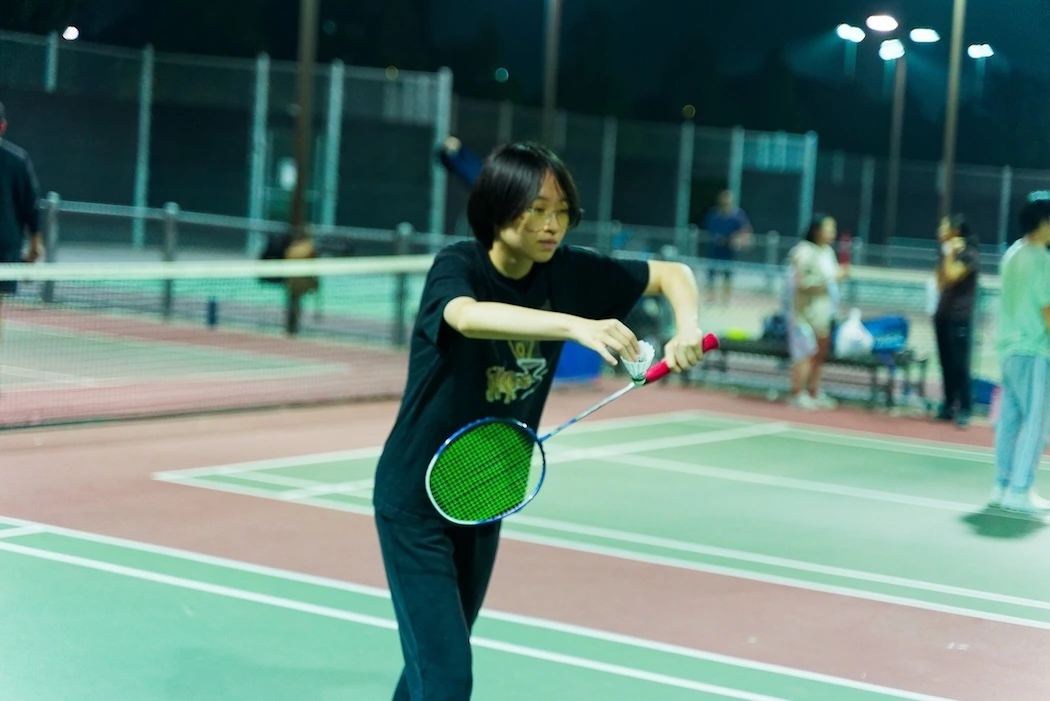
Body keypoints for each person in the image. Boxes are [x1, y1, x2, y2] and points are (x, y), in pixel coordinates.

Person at [371, 142, 709, 700]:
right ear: (499, 209)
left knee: (432, 672)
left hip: (484, 497)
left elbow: (673, 274)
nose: (552, 226)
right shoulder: (458, 265)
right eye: (537, 210)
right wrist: (575, 326)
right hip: (418, 501)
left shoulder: (567, 271)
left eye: (562, 212)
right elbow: (467, 316)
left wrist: (689, 325)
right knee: (449, 677)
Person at [989, 192, 1050, 515]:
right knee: (1037, 423)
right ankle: (1020, 489)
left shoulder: (1012, 253)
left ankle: (1001, 485)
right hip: (1034, 348)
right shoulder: (1040, 257)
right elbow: (1047, 310)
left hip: (1008, 348)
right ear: (1043, 222)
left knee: (1011, 421)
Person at [786, 214, 847, 410]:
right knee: (804, 353)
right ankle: (797, 392)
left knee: (819, 354)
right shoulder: (803, 252)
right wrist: (827, 280)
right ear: (816, 230)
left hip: (824, 313)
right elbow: (800, 282)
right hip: (804, 313)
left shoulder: (827, 252)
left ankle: (814, 390)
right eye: (828, 229)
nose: (832, 233)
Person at [0, 100, 44, 335]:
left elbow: (30, 205)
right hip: (6, 248)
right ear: (3, 126)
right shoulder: (18, 160)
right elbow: (31, 206)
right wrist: (35, 245)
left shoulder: (17, 161)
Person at [932, 214, 980, 428]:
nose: (940, 231)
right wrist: (946, 254)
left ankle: (965, 408)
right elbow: (941, 281)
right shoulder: (946, 252)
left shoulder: (968, 254)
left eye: (944, 227)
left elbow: (952, 276)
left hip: (960, 316)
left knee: (960, 364)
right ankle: (948, 404)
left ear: (956, 230)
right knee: (946, 362)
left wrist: (951, 254)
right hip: (942, 315)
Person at [701, 189, 751, 306]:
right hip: (714, 250)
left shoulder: (737, 215)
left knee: (727, 277)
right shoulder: (713, 214)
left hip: (729, 251)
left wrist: (735, 239)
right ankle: (710, 299)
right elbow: (708, 229)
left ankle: (725, 301)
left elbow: (745, 230)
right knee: (711, 276)